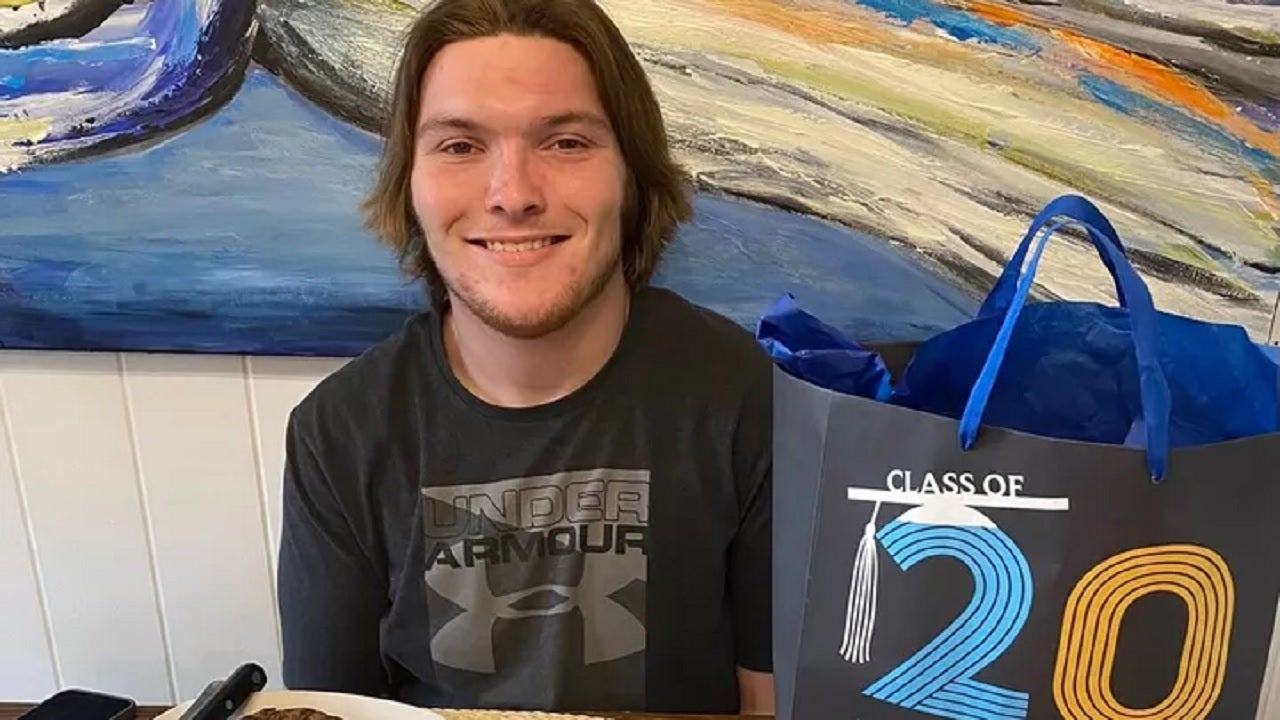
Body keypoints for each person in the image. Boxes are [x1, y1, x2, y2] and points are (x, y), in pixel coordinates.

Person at [275, 0, 774, 714]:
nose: (512, 195)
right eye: (459, 146)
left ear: (631, 177)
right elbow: (330, 710)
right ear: (409, 186)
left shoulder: (742, 393)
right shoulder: (339, 431)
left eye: (566, 142)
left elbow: (772, 700)